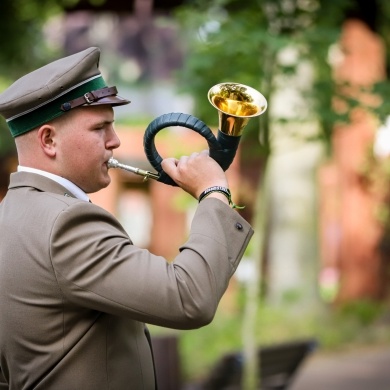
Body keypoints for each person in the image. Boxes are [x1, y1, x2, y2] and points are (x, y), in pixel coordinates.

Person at [0, 47, 253, 390]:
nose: (115, 141)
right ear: (48, 139)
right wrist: (213, 193)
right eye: (100, 128)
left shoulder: (8, 215)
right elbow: (188, 298)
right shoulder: (66, 224)